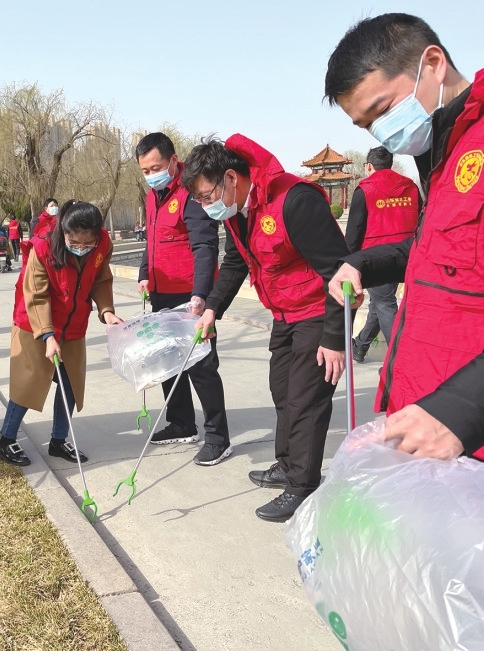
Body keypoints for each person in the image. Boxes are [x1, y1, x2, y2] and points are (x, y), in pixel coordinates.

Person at [324, 12, 484, 461]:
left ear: (432, 63)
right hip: (427, 421)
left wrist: (462, 409)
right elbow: (441, 253)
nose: (382, 134)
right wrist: (364, 262)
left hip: (462, 429)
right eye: (365, 126)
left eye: (382, 110)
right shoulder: (440, 154)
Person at [184, 135, 350, 522]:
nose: (206, 206)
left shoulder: (295, 201)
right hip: (283, 314)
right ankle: (288, 465)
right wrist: (212, 309)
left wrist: (334, 338)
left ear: (230, 177)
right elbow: (235, 263)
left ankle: (303, 486)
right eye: (199, 201)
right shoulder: (239, 211)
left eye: (207, 196)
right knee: (282, 392)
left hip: (316, 312)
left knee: (305, 402)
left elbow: (342, 274)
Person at [0, 200, 123, 466]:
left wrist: (107, 311)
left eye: (87, 244)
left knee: (70, 385)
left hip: (73, 324)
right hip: (33, 323)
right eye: (74, 243)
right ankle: (6, 440)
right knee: (28, 383)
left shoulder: (102, 245)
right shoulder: (43, 246)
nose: (80, 249)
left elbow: (101, 278)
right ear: (64, 231)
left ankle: (58, 441)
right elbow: (37, 295)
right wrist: (47, 336)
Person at [135, 132, 232, 466]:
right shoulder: (153, 196)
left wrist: (201, 295)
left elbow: (205, 246)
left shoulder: (191, 192)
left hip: (190, 295)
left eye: (156, 167)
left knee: (201, 366)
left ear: (173, 161)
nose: (151, 175)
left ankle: (218, 437)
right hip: (161, 292)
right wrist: (144, 273)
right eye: (145, 170)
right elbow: (152, 239)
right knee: (167, 363)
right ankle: (181, 423)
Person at [345, 147, 420, 363]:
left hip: (378, 258)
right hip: (408, 254)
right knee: (379, 305)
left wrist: (349, 260)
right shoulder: (411, 186)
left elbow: (354, 232)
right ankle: (360, 346)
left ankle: (400, 361)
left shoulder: (365, 189)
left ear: (369, 166)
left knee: (385, 305)